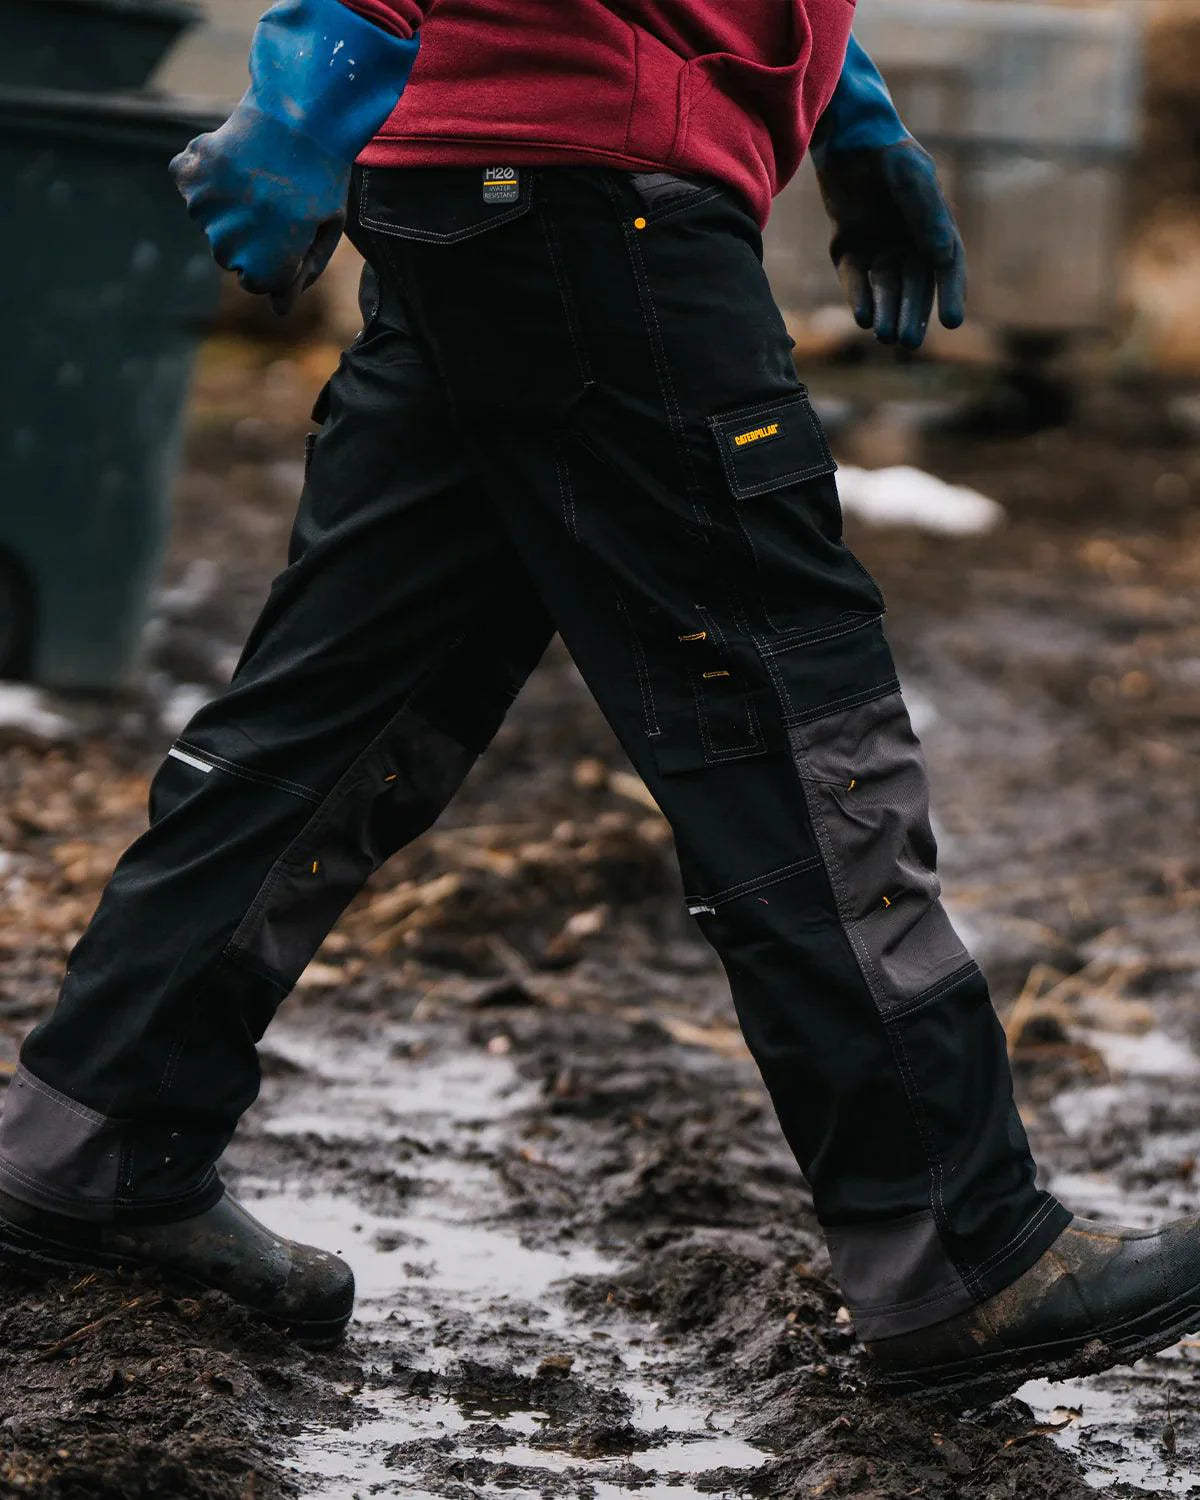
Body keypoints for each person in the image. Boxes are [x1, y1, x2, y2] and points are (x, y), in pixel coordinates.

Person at [1, 0, 1195, 1407]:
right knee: (788, 713)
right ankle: (959, 1241)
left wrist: (848, 110)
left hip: (484, 188)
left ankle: (94, 1134)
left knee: (343, 709)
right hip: (596, 200)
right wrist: (311, 79)